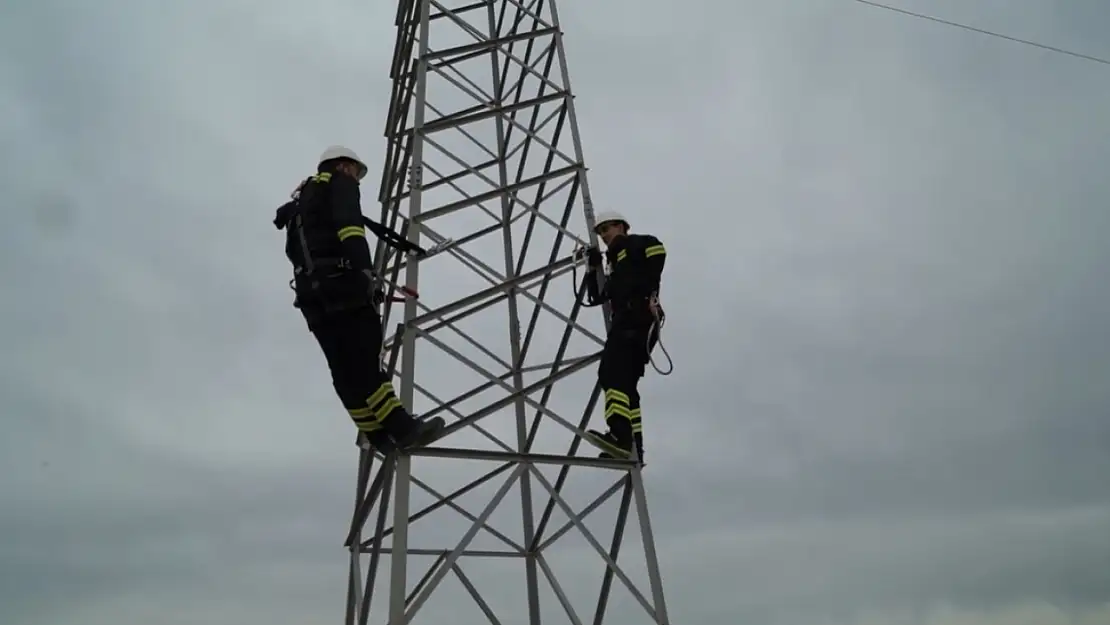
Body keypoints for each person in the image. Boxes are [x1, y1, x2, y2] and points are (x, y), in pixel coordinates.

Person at [273, 145, 444, 452]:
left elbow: (296, 251)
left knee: (343, 369)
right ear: (342, 166)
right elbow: (350, 227)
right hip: (342, 289)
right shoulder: (339, 184)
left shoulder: (299, 204)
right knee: (365, 361)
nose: (357, 178)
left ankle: (377, 436)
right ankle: (403, 428)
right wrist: (364, 272)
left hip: (312, 301)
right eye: (355, 171)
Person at [578, 210, 666, 463]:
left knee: (611, 374)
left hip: (635, 320)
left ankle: (620, 436)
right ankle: (634, 446)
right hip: (634, 324)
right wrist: (591, 268)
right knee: (626, 387)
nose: (605, 235)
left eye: (608, 229)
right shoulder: (614, 265)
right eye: (601, 231)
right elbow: (597, 296)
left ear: (622, 227)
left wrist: (645, 284)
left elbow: (657, 252)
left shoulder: (638, 244)